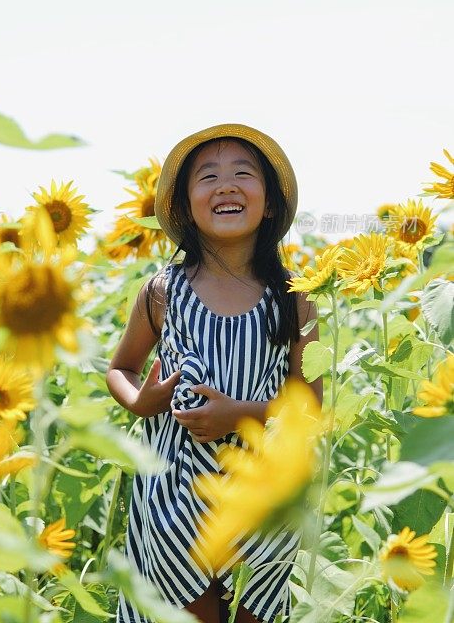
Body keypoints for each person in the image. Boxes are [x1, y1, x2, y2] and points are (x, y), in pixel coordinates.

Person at [106, 123, 322, 623]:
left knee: (251, 608)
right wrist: (140, 400)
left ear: (268, 204)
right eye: (207, 177)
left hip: (262, 488)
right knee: (188, 609)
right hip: (174, 492)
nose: (225, 185)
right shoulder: (163, 291)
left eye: (243, 174)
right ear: (185, 207)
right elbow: (121, 367)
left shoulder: (295, 297)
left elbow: (309, 403)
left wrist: (241, 413)